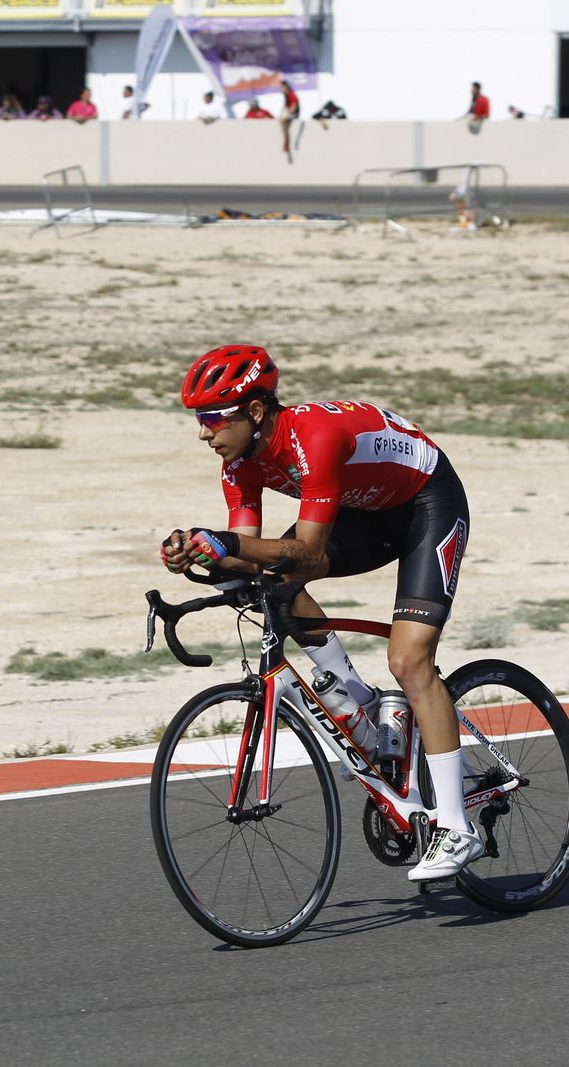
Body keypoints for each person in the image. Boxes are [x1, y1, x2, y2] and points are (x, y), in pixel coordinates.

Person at [160, 345, 484, 882]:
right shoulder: (237, 464)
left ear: (256, 412)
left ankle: (456, 827)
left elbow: (308, 555)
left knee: (408, 661)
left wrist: (223, 546)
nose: (203, 432)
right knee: (260, 579)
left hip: (428, 504)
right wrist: (198, 552)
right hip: (366, 512)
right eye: (199, 419)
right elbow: (247, 550)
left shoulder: (314, 437)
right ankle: (356, 700)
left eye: (213, 418)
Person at [277, 78, 300, 153]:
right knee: (281, 121)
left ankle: (286, 143)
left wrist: (287, 115)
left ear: (285, 86)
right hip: (290, 114)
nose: (280, 89)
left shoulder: (291, 94)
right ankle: (285, 142)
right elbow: (285, 106)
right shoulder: (286, 95)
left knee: (283, 122)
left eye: (281, 87)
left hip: (294, 114)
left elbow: (294, 106)